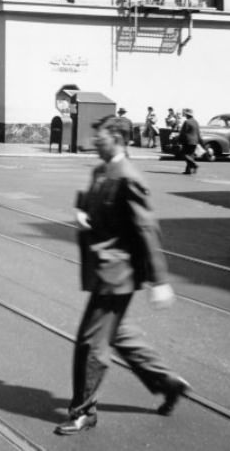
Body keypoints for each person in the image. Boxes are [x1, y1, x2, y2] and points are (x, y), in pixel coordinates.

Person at [56, 117, 190, 435]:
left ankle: (84, 411)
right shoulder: (102, 170)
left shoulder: (128, 177)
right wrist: (80, 212)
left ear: (117, 137)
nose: (93, 143)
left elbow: (147, 229)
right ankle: (168, 382)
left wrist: (160, 281)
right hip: (103, 268)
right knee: (118, 335)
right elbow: (89, 201)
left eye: (99, 138)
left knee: (91, 343)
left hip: (117, 272)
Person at [178, 109, 201, 175]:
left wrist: (179, 140)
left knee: (183, 154)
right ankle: (188, 171)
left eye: (186, 115)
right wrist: (200, 142)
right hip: (195, 142)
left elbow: (183, 132)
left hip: (188, 141)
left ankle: (194, 165)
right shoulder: (196, 122)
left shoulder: (187, 122)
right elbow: (198, 133)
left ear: (187, 115)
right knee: (190, 155)